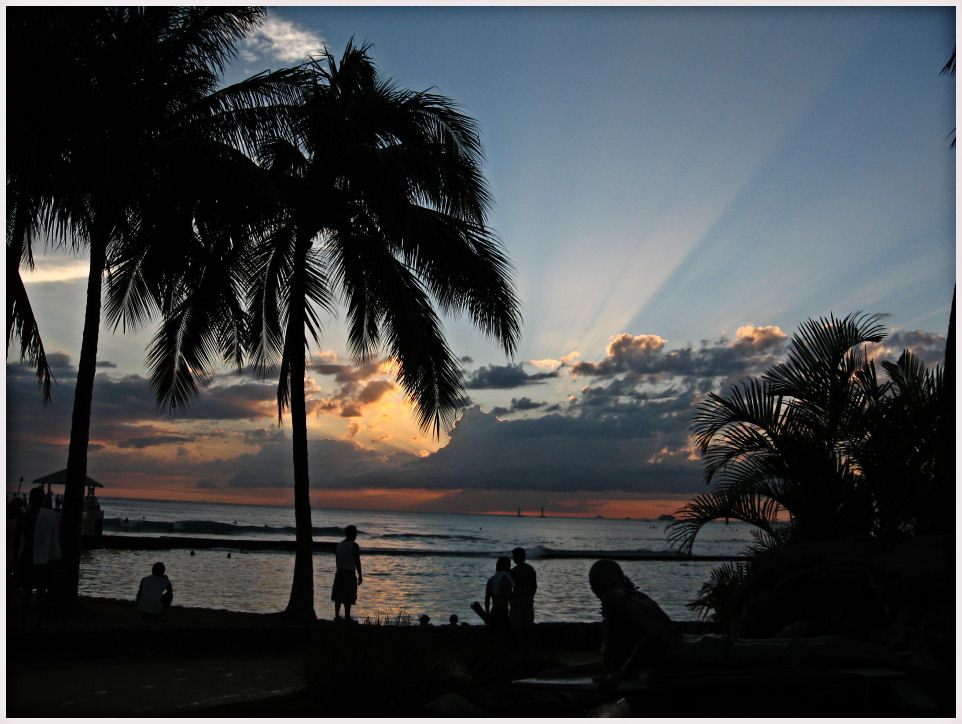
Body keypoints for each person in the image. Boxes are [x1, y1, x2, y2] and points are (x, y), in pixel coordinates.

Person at [15, 486, 61, 627]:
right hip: (42, 557)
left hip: (27, 555)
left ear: (30, 499)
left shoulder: (24, 516)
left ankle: (23, 621)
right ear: (42, 500)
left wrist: (14, 560)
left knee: (26, 591)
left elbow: (17, 540)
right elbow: (54, 539)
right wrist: (54, 557)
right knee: (41, 592)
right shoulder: (49, 516)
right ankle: (39, 623)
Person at [332, 524, 362, 622]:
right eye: (355, 533)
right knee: (348, 597)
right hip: (349, 573)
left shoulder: (339, 545)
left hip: (339, 572)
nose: (356, 535)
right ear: (353, 534)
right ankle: (347, 617)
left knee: (338, 596)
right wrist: (360, 575)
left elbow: (337, 560)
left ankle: (337, 616)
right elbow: (357, 561)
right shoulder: (354, 546)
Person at [485, 556, 514, 636]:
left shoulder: (491, 580)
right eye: (508, 565)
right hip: (503, 610)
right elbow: (509, 597)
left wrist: (487, 612)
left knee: (494, 634)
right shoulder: (505, 579)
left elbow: (487, 598)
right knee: (505, 635)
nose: (510, 567)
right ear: (504, 566)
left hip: (494, 610)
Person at [509, 547, 537, 629]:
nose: (513, 558)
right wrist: (530, 596)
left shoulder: (513, 571)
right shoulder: (530, 569)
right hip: (528, 600)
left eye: (514, 556)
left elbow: (509, 587)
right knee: (528, 624)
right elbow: (534, 587)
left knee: (515, 625)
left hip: (517, 601)